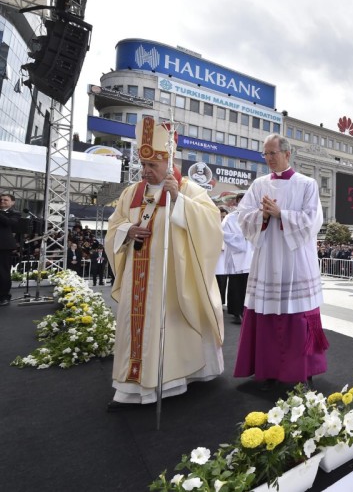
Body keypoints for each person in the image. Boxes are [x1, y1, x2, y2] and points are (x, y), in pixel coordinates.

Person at [105, 119, 224, 409]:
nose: (145, 171)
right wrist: (127, 231)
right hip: (137, 274)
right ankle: (129, 387)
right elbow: (114, 225)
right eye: (143, 165)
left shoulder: (189, 189)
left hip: (171, 278)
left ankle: (173, 380)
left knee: (168, 326)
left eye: (151, 166)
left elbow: (211, 224)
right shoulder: (130, 193)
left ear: (167, 163)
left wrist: (178, 200)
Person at [233, 134, 329, 385]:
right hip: (266, 258)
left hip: (296, 260)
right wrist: (261, 216)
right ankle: (268, 370)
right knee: (266, 312)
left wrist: (280, 214)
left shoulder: (307, 184)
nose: (268, 159)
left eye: (272, 153)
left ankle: (302, 370)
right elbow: (242, 216)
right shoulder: (259, 184)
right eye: (265, 154)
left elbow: (312, 221)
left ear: (287, 154)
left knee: (297, 314)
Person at [221, 194, 254, 325]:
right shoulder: (230, 218)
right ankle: (236, 312)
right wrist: (244, 239)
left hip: (250, 258)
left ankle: (247, 311)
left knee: (248, 286)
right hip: (237, 257)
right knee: (236, 286)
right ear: (237, 203)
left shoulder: (253, 217)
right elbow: (225, 235)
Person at [0, 193, 20, 306]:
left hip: (4, 246)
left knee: (3, 272)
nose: (2, 201)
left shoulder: (15, 213)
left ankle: (4, 296)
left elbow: (10, 223)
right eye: (1, 199)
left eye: (5, 200)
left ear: (12, 202)